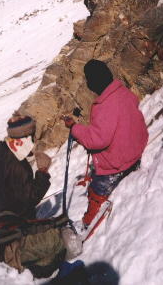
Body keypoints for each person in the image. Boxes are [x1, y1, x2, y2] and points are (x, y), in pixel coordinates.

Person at [0, 113, 82, 277]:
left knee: (52, 234)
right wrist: (42, 172)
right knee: (58, 241)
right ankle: (40, 269)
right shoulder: (17, 167)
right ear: (23, 139)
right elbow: (29, 199)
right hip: (10, 240)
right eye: (32, 137)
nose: (33, 142)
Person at [62, 59, 149, 232]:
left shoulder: (104, 105)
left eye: (89, 80)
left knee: (97, 189)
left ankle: (87, 223)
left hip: (117, 161)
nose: (88, 83)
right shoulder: (124, 93)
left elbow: (98, 140)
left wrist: (74, 128)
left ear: (94, 81)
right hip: (134, 150)